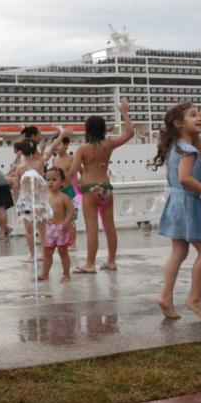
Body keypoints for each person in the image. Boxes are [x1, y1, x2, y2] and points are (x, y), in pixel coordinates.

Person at [151, 102, 201, 321]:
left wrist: (195, 128)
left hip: (175, 202)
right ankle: (195, 299)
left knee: (179, 252)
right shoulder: (187, 151)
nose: (199, 118)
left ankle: (166, 297)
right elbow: (185, 178)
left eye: (199, 114)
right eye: (193, 115)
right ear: (179, 124)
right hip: (189, 203)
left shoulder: (178, 147)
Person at [68, 98, 134, 273]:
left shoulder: (82, 149)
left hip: (89, 189)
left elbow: (72, 173)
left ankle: (90, 264)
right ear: (103, 129)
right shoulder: (109, 144)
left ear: (87, 129)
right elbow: (129, 133)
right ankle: (111, 261)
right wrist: (124, 112)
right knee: (109, 226)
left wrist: (77, 191)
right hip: (106, 188)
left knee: (92, 228)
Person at [11, 139, 46, 262]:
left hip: (25, 201)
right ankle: (45, 253)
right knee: (42, 228)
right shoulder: (40, 163)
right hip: (39, 200)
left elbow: (16, 188)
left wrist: (17, 203)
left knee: (29, 230)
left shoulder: (20, 168)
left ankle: (32, 255)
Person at [38, 167, 74, 283]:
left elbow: (71, 211)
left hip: (61, 228)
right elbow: (42, 211)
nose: (50, 182)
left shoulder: (64, 197)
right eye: (48, 180)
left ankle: (66, 274)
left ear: (61, 182)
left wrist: (66, 222)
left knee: (63, 252)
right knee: (47, 252)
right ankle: (45, 274)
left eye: (54, 179)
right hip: (49, 228)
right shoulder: (45, 197)